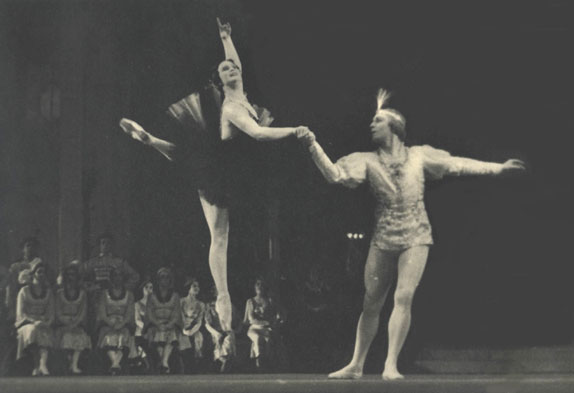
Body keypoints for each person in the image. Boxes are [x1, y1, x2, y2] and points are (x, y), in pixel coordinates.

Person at [299, 89, 526, 380]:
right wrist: (313, 145)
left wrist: (497, 169)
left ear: (394, 127)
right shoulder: (366, 160)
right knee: (372, 302)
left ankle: (390, 364)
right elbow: (334, 175)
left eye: (378, 121)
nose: (371, 124)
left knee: (403, 296)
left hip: (416, 234)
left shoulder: (419, 156)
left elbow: (457, 164)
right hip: (383, 236)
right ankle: (356, 364)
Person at [119, 18, 310, 332]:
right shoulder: (233, 108)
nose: (232, 70)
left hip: (238, 163)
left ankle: (149, 139)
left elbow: (236, 63)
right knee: (219, 235)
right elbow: (260, 134)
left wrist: (225, 36)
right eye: (225, 70)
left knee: (190, 158)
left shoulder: (240, 94)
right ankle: (222, 296)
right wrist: (294, 131)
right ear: (219, 81)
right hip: (220, 169)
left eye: (234, 68)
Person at [14, 262, 55, 376]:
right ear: (33, 274)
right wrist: (33, 321)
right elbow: (20, 313)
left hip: (43, 322)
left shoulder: (48, 292)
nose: (41, 275)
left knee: (43, 330)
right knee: (33, 330)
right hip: (26, 324)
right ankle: (37, 364)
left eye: (43, 272)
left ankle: (43, 365)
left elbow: (51, 312)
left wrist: (46, 323)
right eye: (39, 272)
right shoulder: (24, 291)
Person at [96, 267, 136, 375]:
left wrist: (121, 324)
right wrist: (111, 323)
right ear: (111, 278)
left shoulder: (129, 295)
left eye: (120, 275)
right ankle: (115, 363)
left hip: (123, 323)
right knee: (108, 336)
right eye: (115, 275)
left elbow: (129, 313)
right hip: (108, 322)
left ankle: (115, 364)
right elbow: (102, 313)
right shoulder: (105, 294)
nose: (117, 278)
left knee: (124, 335)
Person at [55, 263, 91, 375]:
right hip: (63, 324)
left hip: (77, 323)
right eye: (69, 275)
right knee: (65, 336)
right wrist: (66, 322)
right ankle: (69, 362)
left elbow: (83, 312)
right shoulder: (60, 293)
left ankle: (74, 364)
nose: (71, 278)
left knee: (80, 336)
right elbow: (58, 312)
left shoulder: (82, 294)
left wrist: (75, 322)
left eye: (74, 275)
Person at [145, 268, 182, 374]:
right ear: (158, 280)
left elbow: (176, 313)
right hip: (155, 325)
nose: (164, 280)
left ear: (170, 280)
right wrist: (158, 324)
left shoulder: (175, 296)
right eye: (162, 277)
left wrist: (169, 324)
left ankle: (164, 363)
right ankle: (165, 363)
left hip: (170, 324)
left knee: (170, 333)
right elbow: (149, 313)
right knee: (158, 333)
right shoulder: (151, 297)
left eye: (167, 277)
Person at [244, 277, 284, 370]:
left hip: (267, 328)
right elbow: (251, 319)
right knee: (258, 338)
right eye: (257, 285)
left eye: (261, 285)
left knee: (268, 340)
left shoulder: (269, 300)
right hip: (255, 328)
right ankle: (259, 360)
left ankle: (269, 363)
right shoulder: (251, 301)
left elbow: (279, 313)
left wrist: (278, 319)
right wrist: (266, 322)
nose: (259, 287)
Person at [179, 277, 206, 371]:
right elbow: (179, 317)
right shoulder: (181, 301)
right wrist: (184, 329)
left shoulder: (201, 304)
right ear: (188, 288)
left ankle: (196, 366)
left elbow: (199, 321)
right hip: (182, 328)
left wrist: (192, 331)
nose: (197, 288)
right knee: (182, 338)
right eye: (194, 286)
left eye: (198, 286)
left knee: (199, 337)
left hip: (194, 329)